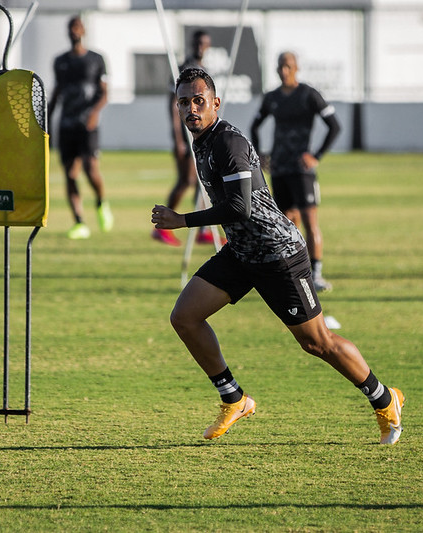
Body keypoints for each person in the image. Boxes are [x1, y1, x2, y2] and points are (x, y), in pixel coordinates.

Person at [151, 68, 404, 444]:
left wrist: (182, 220)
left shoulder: (227, 143)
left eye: (198, 101)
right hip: (242, 252)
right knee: (185, 317)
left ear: (215, 103)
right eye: (184, 102)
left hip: (277, 252)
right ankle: (233, 399)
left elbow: (239, 207)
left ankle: (384, 399)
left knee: (317, 343)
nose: (191, 108)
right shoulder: (201, 140)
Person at [250, 52, 340, 291]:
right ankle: (292, 272)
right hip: (279, 168)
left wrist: (316, 156)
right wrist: (260, 154)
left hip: (302, 170)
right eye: (280, 66)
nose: (284, 71)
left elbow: (334, 126)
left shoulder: (308, 94)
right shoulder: (272, 98)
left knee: (310, 222)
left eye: (288, 66)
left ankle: (316, 274)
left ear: (297, 68)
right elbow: (255, 125)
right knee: (286, 223)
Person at [48, 15, 114, 239]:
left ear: (83, 31)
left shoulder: (96, 59)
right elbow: (57, 93)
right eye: (71, 28)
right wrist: (47, 120)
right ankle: (79, 222)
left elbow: (104, 93)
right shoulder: (60, 61)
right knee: (69, 173)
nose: (74, 31)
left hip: (87, 124)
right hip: (66, 124)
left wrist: (94, 113)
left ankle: (101, 203)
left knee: (90, 167)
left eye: (77, 27)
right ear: (68, 32)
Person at [152, 30, 219, 246]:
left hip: (200, 134)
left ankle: (203, 230)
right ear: (192, 44)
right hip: (186, 135)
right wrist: (178, 139)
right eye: (198, 43)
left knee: (202, 180)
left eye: (205, 43)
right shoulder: (183, 69)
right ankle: (161, 226)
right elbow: (173, 105)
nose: (201, 47)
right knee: (187, 179)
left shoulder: (204, 70)